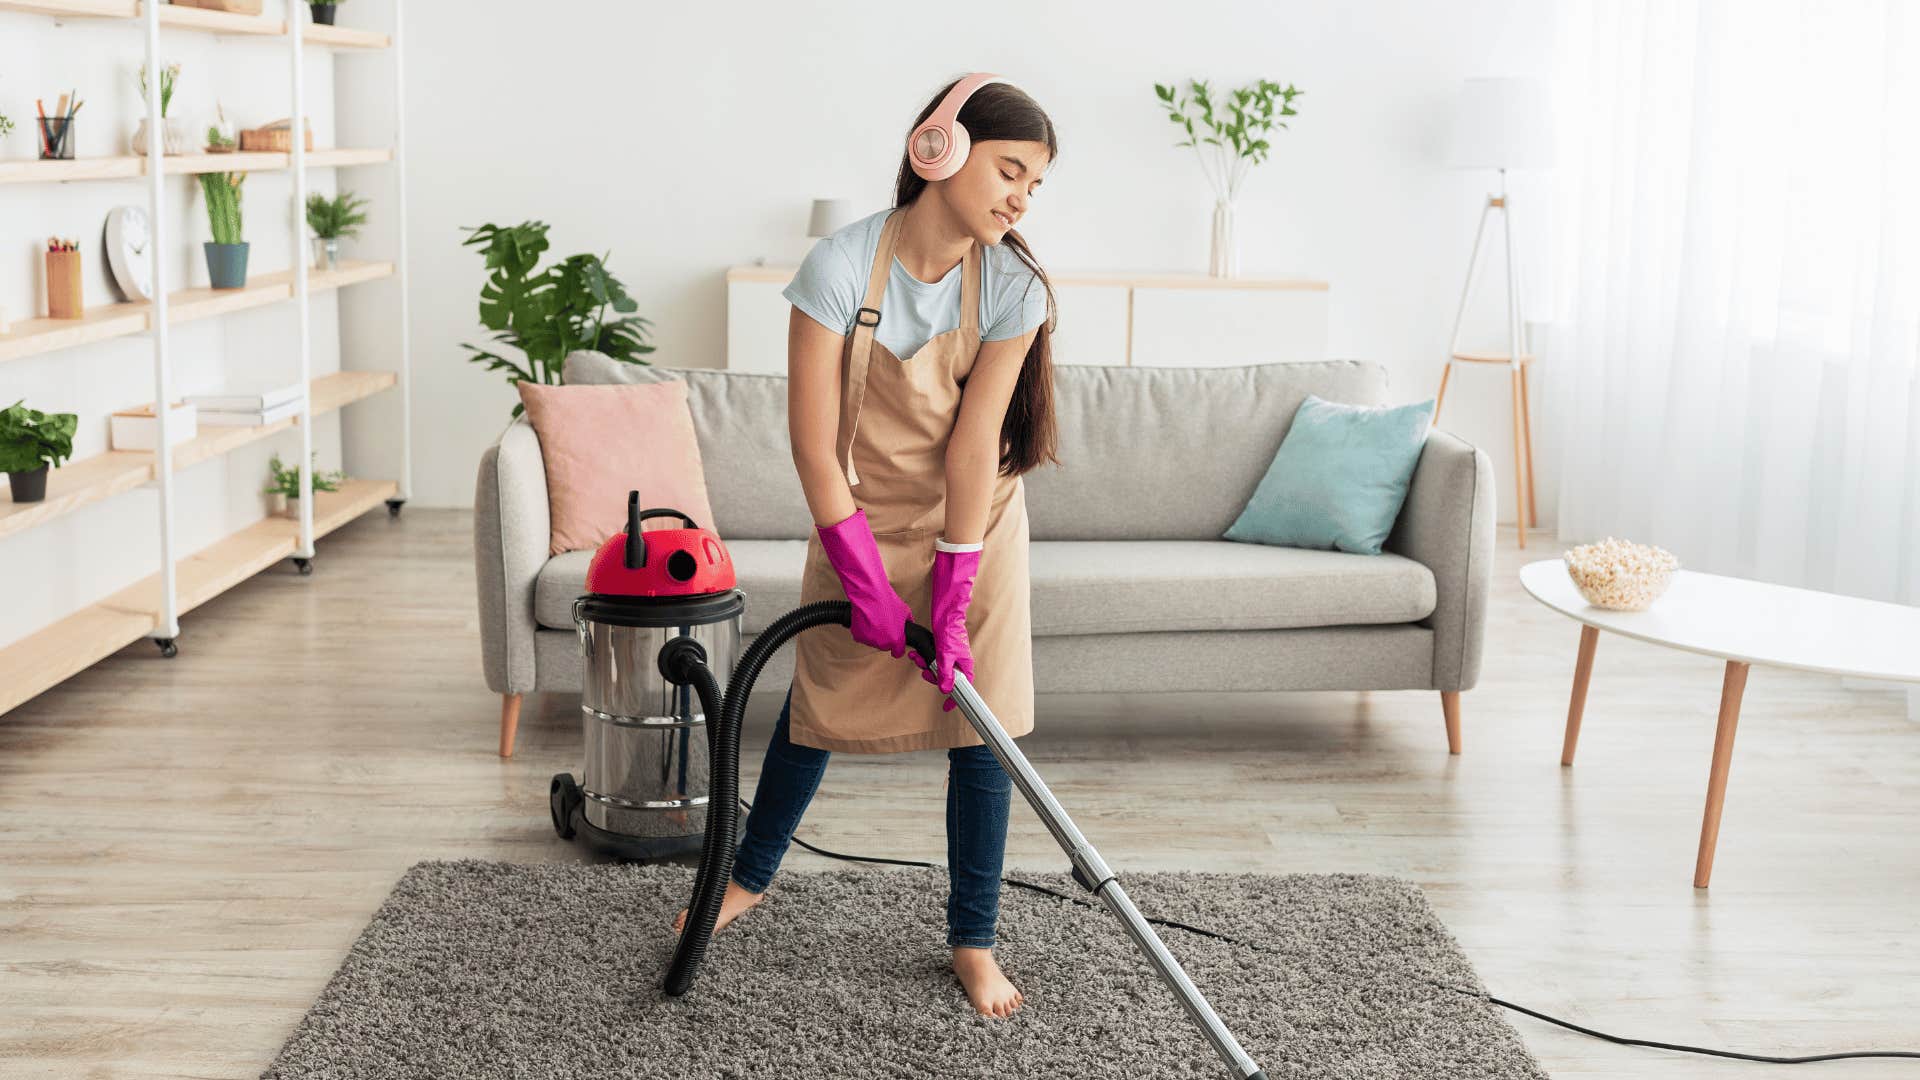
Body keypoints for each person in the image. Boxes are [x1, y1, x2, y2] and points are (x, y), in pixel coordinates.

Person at [672, 73, 1060, 1018]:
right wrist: (862, 575)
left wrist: (954, 591)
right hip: (857, 517)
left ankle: (973, 940)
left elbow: (974, 448)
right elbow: (812, 443)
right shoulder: (841, 267)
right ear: (941, 149)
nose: (1018, 198)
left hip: (978, 526)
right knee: (814, 706)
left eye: (1035, 186)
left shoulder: (1012, 286)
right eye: (1010, 170)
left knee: (982, 732)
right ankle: (747, 881)